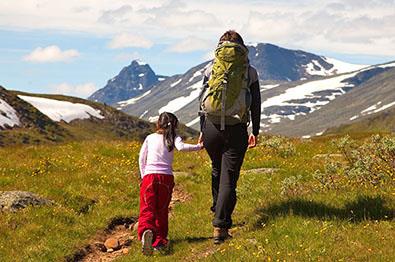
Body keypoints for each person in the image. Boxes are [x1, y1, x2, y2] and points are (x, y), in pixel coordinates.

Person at [198, 30, 261, 244]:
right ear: (242, 48)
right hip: (236, 129)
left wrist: (202, 129)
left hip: (211, 128)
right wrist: (255, 131)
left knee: (217, 169)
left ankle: (218, 208)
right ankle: (221, 225)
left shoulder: (211, 68)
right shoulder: (249, 71)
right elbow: (256, 104)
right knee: (229, 177)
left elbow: (202, 101)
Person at [138, 112, 203, 255]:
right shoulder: (174, 137)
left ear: (158, 124)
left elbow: (142, 158)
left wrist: (144, 177)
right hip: (166, 178)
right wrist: (199, 146)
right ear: (174, 125)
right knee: (162, 210)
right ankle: (159, 241)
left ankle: (146, 231)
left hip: (149, 177)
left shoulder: (150, 138)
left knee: (147, 207)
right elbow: (182, 148)